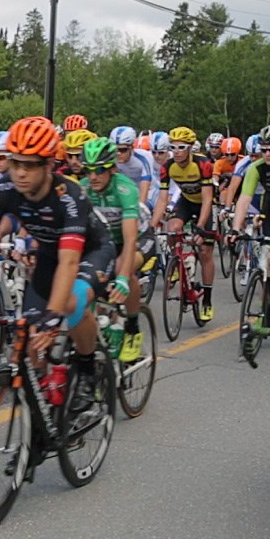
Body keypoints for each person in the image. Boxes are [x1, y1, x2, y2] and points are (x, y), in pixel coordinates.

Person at [0, 116, 115, 407]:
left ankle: (87, 369)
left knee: (71, 303)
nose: (20, 173)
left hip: (91, 252)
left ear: (49, 165)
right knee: (31, 329)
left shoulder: (70, 196)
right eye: (15, 162)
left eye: (30, 165)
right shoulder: (3, 189)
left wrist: (54, 316)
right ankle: (44, 416)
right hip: (50, 254)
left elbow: (70, 262)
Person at [81, 137, 154, 363]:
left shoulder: (125, 189)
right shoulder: (83, 189)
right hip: (107, 243)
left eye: (100, 170)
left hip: (138, 238)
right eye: (88, 170)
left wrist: (122, 278)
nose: (93, 176)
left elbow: (130, 238)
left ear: (112, 168)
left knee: (125, 267)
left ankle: (132, 328)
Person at [152, 126, 216, 321]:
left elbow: (207, 200)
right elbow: (162, 200)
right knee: (172, 229)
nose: (176, 151)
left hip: (203, 206)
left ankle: (207, 301)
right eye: (173, 147)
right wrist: (152, 226)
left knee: (205, 252)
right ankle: (177, 263)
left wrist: (201, 225)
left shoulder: (202, 164)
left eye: (181, 147)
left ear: (190, 148)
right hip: (186, 203)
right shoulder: (168, 167)